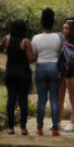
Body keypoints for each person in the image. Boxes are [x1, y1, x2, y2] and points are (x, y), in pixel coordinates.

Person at [0, 19, 35, 135]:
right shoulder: (26, 42)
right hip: (23, 74)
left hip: (10, 73)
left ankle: (10, 127)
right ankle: (23, 128)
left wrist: (4, 47)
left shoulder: (7, 39)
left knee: (11, 100)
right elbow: (30, 59)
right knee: (23, 100)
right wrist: (37, 55)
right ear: (24, 29)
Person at [30, 7, 63, 136]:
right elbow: (61, 53)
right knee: (55, 99)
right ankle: (55, 128)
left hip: (41, 69)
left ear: (41, 22)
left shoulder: (36, 38)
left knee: (42, 99)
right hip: (54, 68)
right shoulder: (58, 37)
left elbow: (34, 55)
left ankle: (39, 128)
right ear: (53, 21)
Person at [57, 17, 74, 132]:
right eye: (63, 28)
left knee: (72, 97)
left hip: (71, 74)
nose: (64, 30)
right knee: (59, 98)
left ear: (72, 30)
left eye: (66, 28)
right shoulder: (60, 41)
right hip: (61, 73)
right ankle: (57, 121)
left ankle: (73, 122)